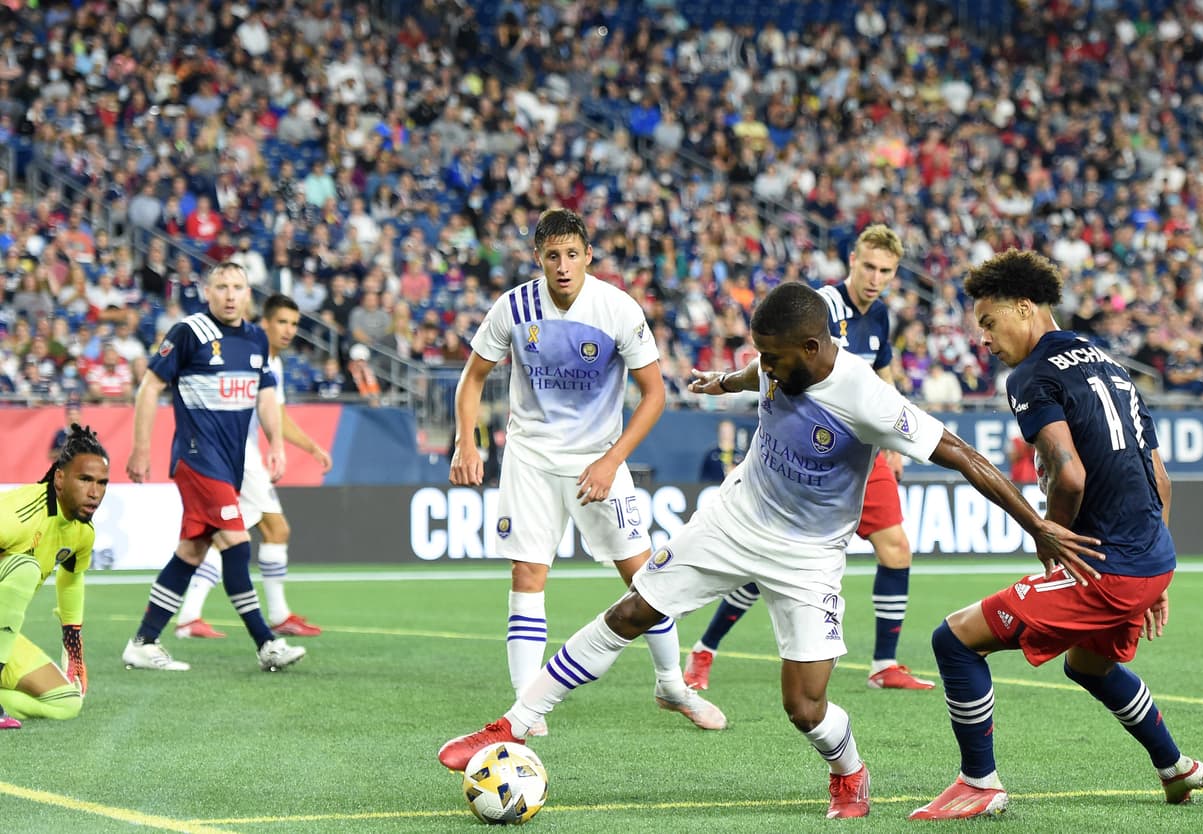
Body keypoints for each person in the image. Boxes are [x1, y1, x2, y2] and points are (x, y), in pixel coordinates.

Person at [437, 283, 1101, 819]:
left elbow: (961, 455)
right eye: (760, 355)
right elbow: (757, 372)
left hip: (807, 557)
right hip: (732, 518)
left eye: (775, 357)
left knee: (803, 708)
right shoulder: (782, 360)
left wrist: (1035, 524)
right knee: (632, 610)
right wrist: (724, 380)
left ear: (812, 348)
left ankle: (850, 773)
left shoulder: (867, 398)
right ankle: (513, 724)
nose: (768, 368)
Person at [909, 250, 1203, 820]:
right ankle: (1175, 766)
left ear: (1025, 308)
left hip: (1110, 568)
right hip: (1150, 558)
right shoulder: (1111, 364)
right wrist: (1155, 567)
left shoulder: (1031, 376)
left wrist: (1051, 536)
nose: (986, 341)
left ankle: (980, 783)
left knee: (953, 641)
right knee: (1088, 665)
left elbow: (1069, 475)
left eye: (989, 324)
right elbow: (1160, 477)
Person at [449, 208, 723, 738]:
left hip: (598, 458)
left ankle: (671, 684)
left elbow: (654, 394)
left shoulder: (617, 308)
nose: (563, 265)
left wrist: (611, 460)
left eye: (572, 254)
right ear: (538, 259)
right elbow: (472, 377)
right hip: (529, 456)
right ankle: (527, 708)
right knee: (526, 575)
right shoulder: (514, 307)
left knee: (645, 578)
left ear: (588, 256)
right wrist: (467, 441)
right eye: (552, 256)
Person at [684, 225, 935, 693]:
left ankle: (884, 664)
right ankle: (705, 648)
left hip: (860, 451)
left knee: (897, 549)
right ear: (852, 260)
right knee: (767, 563)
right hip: (805, 448)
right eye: (868, 266)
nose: (875, 278)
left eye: (886, 271)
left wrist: (895, 443)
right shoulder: (821, 308)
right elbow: (772, 364)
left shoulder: (879, 316)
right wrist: (726, 381)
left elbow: (883, 378)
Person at [120, 262, 306, 673]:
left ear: (247, 294)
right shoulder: (190, 332)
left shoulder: (257, 338)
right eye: (221, 286)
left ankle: (143, 642)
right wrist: (140, 449)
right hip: (197, 458)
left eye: (237, 286)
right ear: (208, 292)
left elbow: (267, 396)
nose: (229, 294)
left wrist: (276, 444)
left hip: (230, 464)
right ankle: (266, 642)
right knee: (237, 544)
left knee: (191, 551)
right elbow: (150, 386)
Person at [173, 294, 331, 639]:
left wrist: (309, 446)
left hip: (234, 455)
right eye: (282, 322)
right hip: (237, 455)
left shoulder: (272, 363)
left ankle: (189, 616)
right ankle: (275, 616)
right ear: (266, 323)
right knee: (276, 530)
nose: (288, 331)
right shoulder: (250, 355)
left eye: (294, 324)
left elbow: (278, 416)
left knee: (223, 537)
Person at [0, 425, 109, 729]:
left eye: (102, 483)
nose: (95, 492)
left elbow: (71, 579)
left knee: (66, 701)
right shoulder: (16, 516)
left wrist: (73, 645)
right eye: (85, 480)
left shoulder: (81, 534)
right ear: (60, 478)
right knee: (25, 568)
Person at [698, 419, 746, 483]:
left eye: (729, 431)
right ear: (718, 433)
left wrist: (734, 475)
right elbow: (703, 479)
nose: (726, 435)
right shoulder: (711, 455)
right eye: (723, 432)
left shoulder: (740, 456)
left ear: (734, 433)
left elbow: (745, 480)